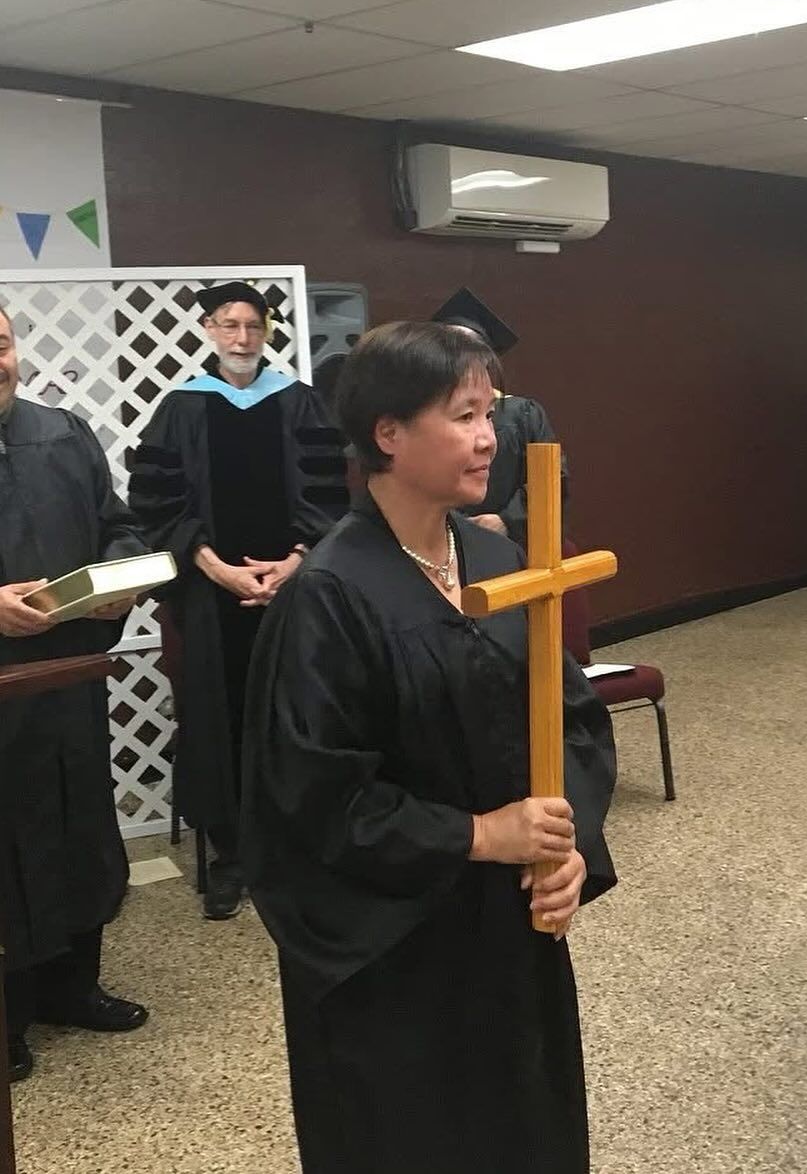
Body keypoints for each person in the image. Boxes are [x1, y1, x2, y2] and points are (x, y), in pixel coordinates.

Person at [241, 321, 616, 1174]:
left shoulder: (496, 556)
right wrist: (482, 835)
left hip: (509, 929)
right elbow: (312, 798)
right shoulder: (330, 596)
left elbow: (573, 719)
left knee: (524, 1119)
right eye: (463, 414)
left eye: (492, 411)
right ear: (388, 433)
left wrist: (568, 847)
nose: (490, 436)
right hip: (397, 950)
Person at [128, 282, 347, 921]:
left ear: (266, 331)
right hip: (209, 597)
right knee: (216, 719)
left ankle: (298, 843)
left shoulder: (301, 404)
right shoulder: (181, 408)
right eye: (229, 325)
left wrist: (296, 562)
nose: (242, 338)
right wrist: (215, 568)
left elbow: (329, 496)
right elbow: (156, 502)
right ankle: (230, 853)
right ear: (208, 329)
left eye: (253, 326)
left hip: (293, 594)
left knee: (299, 713)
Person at [0, 303, 149, 1083]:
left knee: (77, 819)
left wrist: (122, 577)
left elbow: (116, 525)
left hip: (71, 680)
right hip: (0, 687)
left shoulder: (62, 433)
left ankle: (72, 986)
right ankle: (8, 1014)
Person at [431, 286, 568, 545]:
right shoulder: (422, 417)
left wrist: (507, 521)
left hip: (511, 547)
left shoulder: (523, 414)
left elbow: (552, 480)